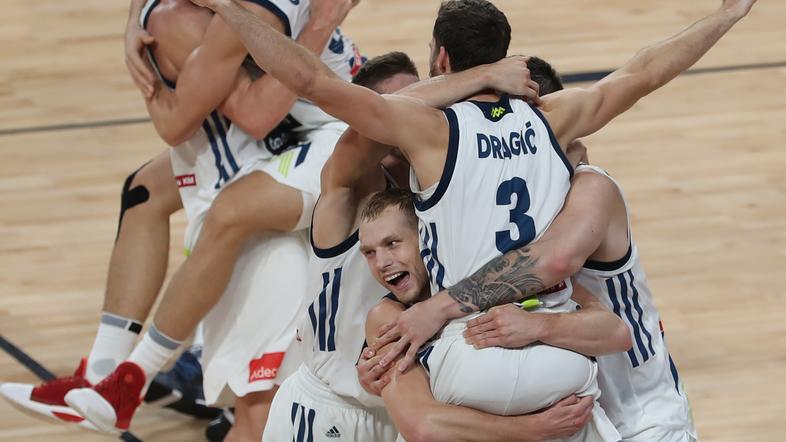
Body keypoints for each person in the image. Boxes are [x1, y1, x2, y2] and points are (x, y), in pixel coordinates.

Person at [198, 0, 755, 437]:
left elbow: (313, 82)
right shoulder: (553, 118)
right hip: (557, 363)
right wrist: (728, 14)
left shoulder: (426, 131)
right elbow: (644, 71)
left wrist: (229, 10)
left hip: (462, 360)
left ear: (439, 57)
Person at [264, 50, 540, 441]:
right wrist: (485, 73)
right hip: (330, 411)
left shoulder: (443, 193)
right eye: (393, 106)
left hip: (402, 411)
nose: (411, 113)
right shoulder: (351, 189)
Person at [357, 187, 631, 442]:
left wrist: (539, 326)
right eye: (369, 253)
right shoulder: (387, 317)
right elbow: (422, 424)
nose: (381, 263)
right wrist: (535, 428)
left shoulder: (495, 277)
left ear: (426, 238)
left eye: (392, 243)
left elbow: (616, 333)